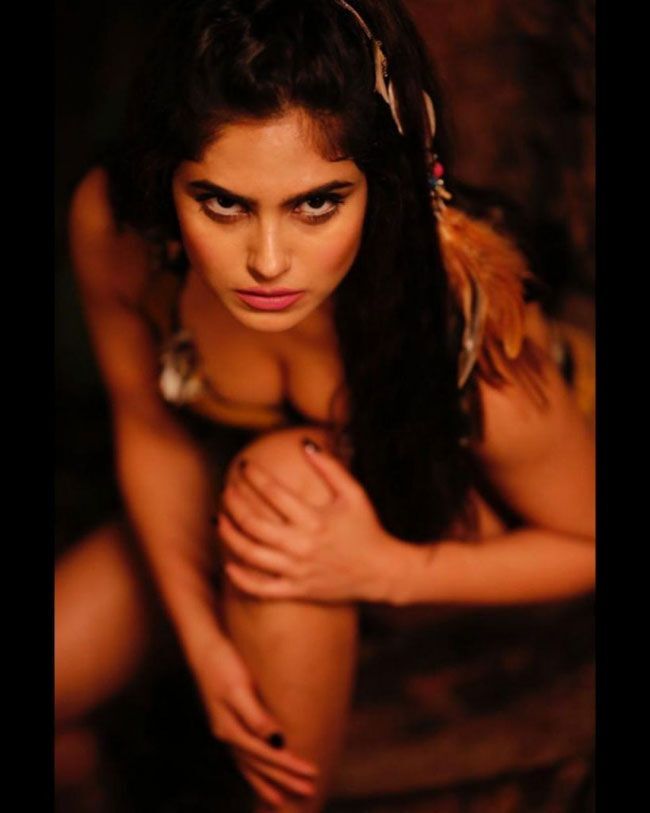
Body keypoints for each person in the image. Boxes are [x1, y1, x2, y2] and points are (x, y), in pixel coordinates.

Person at [55, 1, 595, 810]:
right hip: (240, 507)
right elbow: (150, 427)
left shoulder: (463, 321)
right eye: (222, 202)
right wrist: (203, 646)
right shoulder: (120, 231)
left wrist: (386, 568)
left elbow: (588, 539)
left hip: (454, 530)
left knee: (284, 484)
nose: (268, 262)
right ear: (167, 177)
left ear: (380, 184)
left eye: (317, 203)